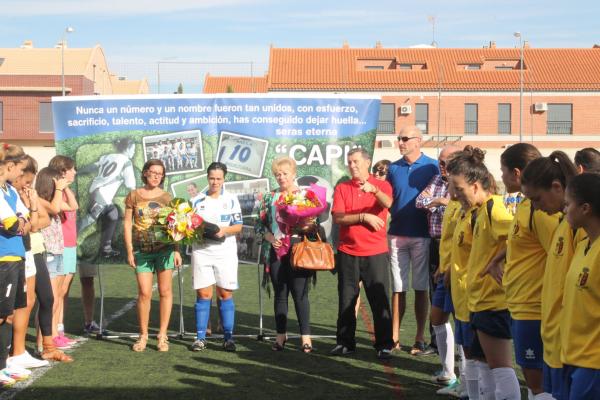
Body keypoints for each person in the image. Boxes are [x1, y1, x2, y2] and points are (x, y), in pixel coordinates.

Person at [446, 146, 520, 400]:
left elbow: (519, 237)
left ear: (476, 186)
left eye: (459, 189)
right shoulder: (474, 212)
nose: (455, 195)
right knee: (479, 362)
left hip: (492, 301)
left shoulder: (494, 208)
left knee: (500, 367)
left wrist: (499, 260)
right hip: (474, 300)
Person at [489, 143, 560, 399]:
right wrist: (498, 258)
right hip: (520, 304)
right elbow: (521, 242)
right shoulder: (526, 205)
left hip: (534, 307)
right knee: (534, 382)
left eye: (503, 170)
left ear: (516, 173)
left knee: (539, 384)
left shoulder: (541, 211)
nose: (501, 176)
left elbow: (559, 255)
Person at [520, 151, 580, 400]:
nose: (535, 206)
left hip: (573, 346)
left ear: (557, 187)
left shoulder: (582, 229)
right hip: (554, 339)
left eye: (537, 198)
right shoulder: (563, 224)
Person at [330, 148, 394, 360]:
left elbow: (390, 204)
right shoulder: (342, 187)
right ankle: (345, 343)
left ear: (367, 163)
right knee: (346, 299)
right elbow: (338, 218)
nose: (352, 165)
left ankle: (384, 344)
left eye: (356, 161)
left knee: (379, 300)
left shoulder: (382, 185)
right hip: (348, 251)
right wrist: (363, 217)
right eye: (349, 162)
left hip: (375, 252)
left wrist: (374, 190)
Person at [387, 125, 439, 355]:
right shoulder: (393, 168)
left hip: (422, 235)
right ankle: (394, 336)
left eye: (405, 138)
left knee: (420, 288)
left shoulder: (432, 166)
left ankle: (419, 337)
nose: (401, 142)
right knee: (398, 288)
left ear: (418, 141)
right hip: (396, 233)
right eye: (399, 138)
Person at [257, 156, 317, 353]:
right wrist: (267, 236)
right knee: (280, 295)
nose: (281, 177)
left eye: (285, 174)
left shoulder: (305, 195)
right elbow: (259, 223)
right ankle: (280, 336)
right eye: (277, 174)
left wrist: (305, 224)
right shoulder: (269, 197)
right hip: (275, 250)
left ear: (294, 174)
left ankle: (305, 338)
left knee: (300, 294)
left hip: (298, 249)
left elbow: (314, 220)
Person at [415, 145, 461, 390]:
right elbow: (420, 201)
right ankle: (448, 370)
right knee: (439, 310)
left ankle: (465, 372)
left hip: (459, 253)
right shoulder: (436, 178)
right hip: (439, 248)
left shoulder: (466, 183)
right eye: (440, 162)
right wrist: (438, 200)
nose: (442, 166)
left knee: (461, 315)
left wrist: (446, 201)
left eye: (447, 161)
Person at [123, 159, 182, 352]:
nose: (157, 176)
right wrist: (129, 249)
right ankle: (143, 335)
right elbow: (126, 224)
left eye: (160, 174)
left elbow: (175, 224)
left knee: (165, 291)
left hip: (164, 250)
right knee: (144, 293)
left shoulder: (167, 197)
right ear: (146, 173)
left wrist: (176, 249)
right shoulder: (133, 195)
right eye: (153, 172)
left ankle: (162, 335)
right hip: (142, 251)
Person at [189, 162, 242, 352]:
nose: (215, 182)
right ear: (207, 178)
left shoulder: (232, 199)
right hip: (202, 251)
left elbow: (238, 226)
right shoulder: (196, 200)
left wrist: (223, 230)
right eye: (212, 178)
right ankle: (200, 337)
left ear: (224, 179)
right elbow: (189, 225)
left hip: (225, 252)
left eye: (219, 178)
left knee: (225, 294)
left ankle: (228, 338)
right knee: (204, 294)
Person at [8, 156, 51, 369]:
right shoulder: (8, 192)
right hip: (12, 254)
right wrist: (29, 216)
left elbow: (39, 222)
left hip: (26, 251)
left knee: (26, 302)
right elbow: (26, 226)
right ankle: (11, 353)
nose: (27, 185)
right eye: (25, 180)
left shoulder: (17, 193)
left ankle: (18, 351)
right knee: (9, 309)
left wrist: (32, 207)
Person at [561, 173, 600, 400]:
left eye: (568, 204)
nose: (564, 210)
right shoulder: (584, 243)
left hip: (593, 363)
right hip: (572, 357)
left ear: (585, 208)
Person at [0, 143, 32, 386]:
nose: (21, 176)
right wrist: (18, 221)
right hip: (4, 259)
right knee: (1, 314)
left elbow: (26, 217)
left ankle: (5, 364)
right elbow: (12, 224)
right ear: (9, 167)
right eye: (19, 170)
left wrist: (20, 221)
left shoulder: (9, 191)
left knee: (8, 314)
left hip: (17, 256)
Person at [78, 137, 136, 259]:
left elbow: (93, 166)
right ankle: (66, 240)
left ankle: (106, 249)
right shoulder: (126, 162)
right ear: (128, 148)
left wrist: (78, 172)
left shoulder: (108, 156)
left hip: (97, 191)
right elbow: (131, 185)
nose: (134, 152)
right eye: (133, 149)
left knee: (113, 214)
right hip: (102, 194)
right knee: (89, 219)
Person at [35, 167, 73, 352]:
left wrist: (64, 189)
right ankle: (42, 343)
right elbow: (56, 208)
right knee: (47, 300)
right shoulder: (40, 199)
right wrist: (59, 189)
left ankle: (50, 339)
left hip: (58, 251)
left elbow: (72, 206)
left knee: (56, 298)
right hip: (48, 252)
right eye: (57, 181)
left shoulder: (54, 198)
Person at [48, 155, 79, 343]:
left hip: (70, 245)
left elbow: (74, 207)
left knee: (64, 291)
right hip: (61, 245)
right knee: (57, 292)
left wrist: (66, 187)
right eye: (71, 169)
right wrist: (63, 186)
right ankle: (54, 332)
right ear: (62, 172)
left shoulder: (66, 190)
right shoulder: (55, 191)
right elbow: (68, 208)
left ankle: (60, 329)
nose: (74, 172)